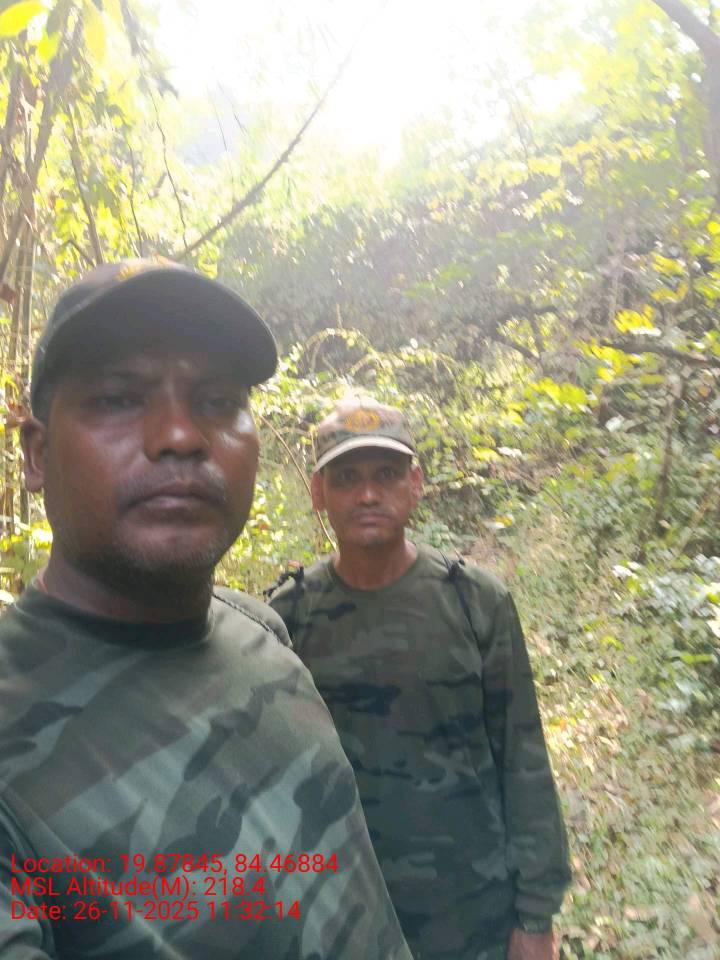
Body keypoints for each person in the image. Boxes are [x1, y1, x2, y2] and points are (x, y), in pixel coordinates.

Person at [0, 261, 414, 960]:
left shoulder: (261, 634)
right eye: (118, 398)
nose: (181, 435)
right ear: (37, 456)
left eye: (218, 400)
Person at [268, 397, 571, 960]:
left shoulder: (475, 602)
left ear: (415, 483)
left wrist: (535, 916)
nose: (367, 494)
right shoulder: (288, 617)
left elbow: (523, 759)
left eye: (386, 474)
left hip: (470, 913)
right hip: (341, 913)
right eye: (346, 478)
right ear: (318, 493)